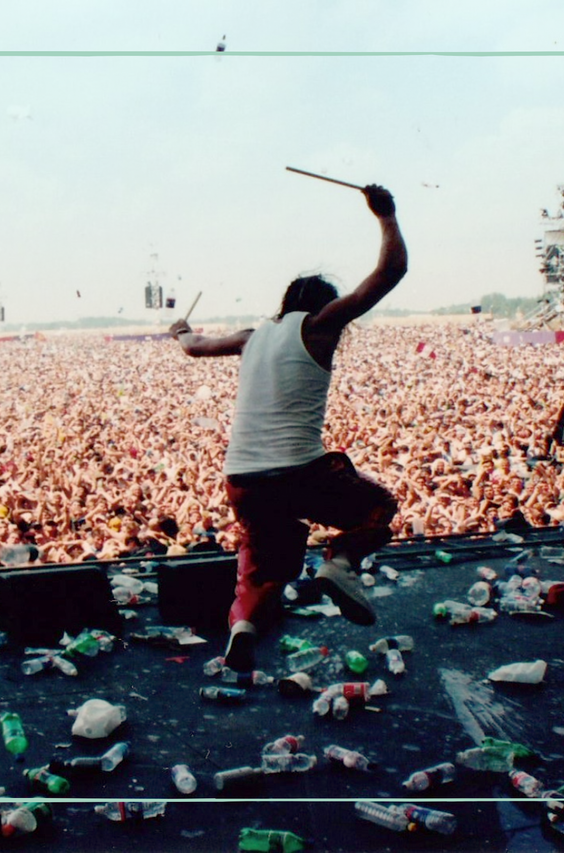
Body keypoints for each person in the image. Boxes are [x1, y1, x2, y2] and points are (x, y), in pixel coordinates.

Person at [168, 184, 408, 671]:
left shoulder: (252, 336)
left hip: (242, 479)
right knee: (379, 506)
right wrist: (386, 216)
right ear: (323, 305)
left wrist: (180, 331)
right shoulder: (319, 325)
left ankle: (243, 628)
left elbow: (194, 346)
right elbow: (389, 273)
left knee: (260, 566)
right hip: (298, 470)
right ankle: (340, 563)